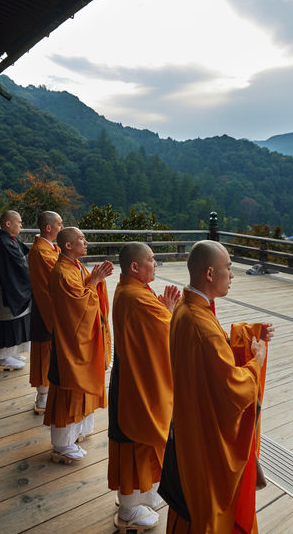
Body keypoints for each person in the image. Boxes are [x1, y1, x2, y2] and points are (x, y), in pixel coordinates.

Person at [159, 240, 272, 533]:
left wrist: (252, 333)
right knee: (207, 508)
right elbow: (234, 388)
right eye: (229, 268)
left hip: (188, 422)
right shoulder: (200, 324)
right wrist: (256, 361)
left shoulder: (186, 308)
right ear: (210, 274)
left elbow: (216, 350)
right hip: (205, 435)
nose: (232, 275)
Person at [107, 242, 181, 532]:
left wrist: (163, 310)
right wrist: (171, 313)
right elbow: (168, 334)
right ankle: (129, 508)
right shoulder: (138, 298)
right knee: (135, 442)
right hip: (135, 388)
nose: (156, 264)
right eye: (151, 260)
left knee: (139, 443)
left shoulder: (131, 290)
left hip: (130, 379)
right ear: (135, 267)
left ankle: (138, 496)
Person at [44, 227, 113, 464]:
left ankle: (75, 433)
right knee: (69, 388)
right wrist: (94, 281)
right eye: (81, 239)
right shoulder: (63, 273)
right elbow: (78, 307)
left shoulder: (75, 266)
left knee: (79, 388)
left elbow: (85, 290)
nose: (86, 242)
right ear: (68, 246)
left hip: (77, 341)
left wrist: (95, 280)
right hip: (69, 344)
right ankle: (62, 444)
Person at [27, 211, 63, 414]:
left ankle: (46, 395)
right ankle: (43, 398)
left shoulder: (48, 248)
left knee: (48, 352)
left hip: (45, 307)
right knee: (44, 353)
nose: (61, 227)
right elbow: (61, 278)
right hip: (45, 309)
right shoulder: (42, 252)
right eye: (59, 224)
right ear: (48, 227)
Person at [0, 210, 32, 371]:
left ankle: (12, 353)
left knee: (17, 322)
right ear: (8, 223)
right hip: (8, 290)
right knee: (7, 324)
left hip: (13, 287)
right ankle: (5, 358)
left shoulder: (10, 239)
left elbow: (26, 255)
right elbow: (21, 265)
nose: (21, 224)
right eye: (19, 222)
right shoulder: (3, 243)